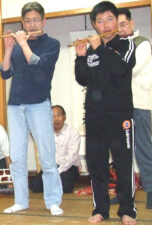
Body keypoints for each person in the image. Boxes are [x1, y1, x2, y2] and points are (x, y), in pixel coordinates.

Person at [74, 2, 136, 224]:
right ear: (94, 24)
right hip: (95, 117)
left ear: (116, 20)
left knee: (123, 163)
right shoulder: (92, 48)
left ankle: (128, 210)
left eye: (109, 19)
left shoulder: (126, 44)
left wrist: (100, 48)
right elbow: (83, 79)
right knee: (96, 164)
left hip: (120, 116)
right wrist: (81, 57)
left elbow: (120, 70)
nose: (105, 24)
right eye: (99, 21)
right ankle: (100, 209)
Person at [0, 2, 63, 216]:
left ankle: (53, 201)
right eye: (27, 21)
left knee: (46, 155)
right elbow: (5, 72)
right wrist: (9, 48)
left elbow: (37, 63)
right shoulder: (17, 45)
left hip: (38, 104)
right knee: (16, 157)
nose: (32, 24)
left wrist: (22, 43)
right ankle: (21, 200)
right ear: (22, 22)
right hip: (15, 106)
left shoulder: (52, 44)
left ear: (44, 21)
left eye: (36, 20)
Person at [117, 7, 152, 210]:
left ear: (131, 23)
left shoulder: (142, 43)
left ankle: (150, 190)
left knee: (143, 150)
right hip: (119, 108)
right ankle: (125, 194)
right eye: (117, 25)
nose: (120, 29)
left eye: (123, 24)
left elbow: (130, 70)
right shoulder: (117, 46)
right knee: (121, 152)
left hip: (139, 105)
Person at [29, 105, 80, 193]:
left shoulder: (73, 133)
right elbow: (41, 154)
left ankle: (51, 185)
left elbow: (71, 157)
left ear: (64, 117)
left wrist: (58, 171)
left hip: (68, 168)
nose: (56, 119)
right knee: (34, 186)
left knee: (65, 187)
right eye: (52, 116)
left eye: (59, 115)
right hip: (51, 167)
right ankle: (53, 184)